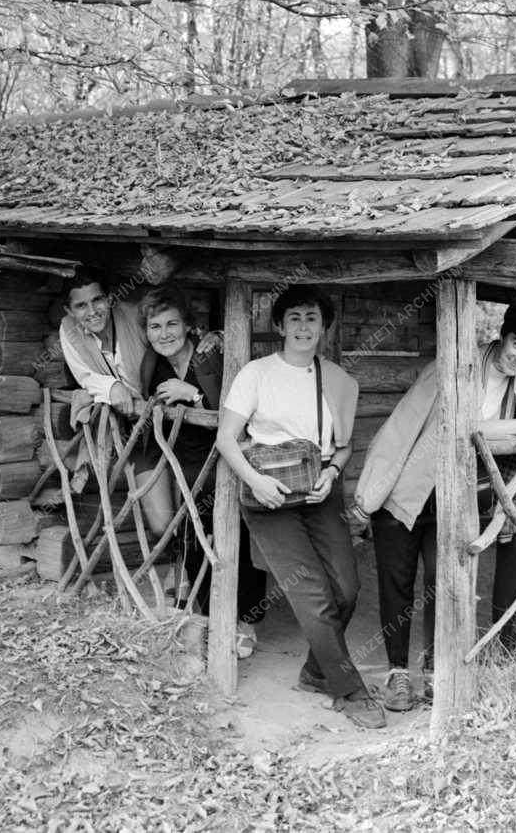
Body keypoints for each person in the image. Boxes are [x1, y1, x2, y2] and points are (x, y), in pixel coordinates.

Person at [352, 298, 516, 710]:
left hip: (459, 496)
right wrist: (367, 497)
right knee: (396, 582)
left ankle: (435, 672)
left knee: (442, 581)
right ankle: (397, 674)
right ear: (503, 335)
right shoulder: (456, 366)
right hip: (407, 488)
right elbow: (442, 426)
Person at [216, 285, 385, 729]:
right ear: (278, 325)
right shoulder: (256, 374)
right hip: (268, 498)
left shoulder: (339, 381)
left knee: (347, 589)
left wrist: (331, 475)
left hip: (318, 494)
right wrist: (255, 480)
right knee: (311, 593)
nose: (304, 326)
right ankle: (349, 691)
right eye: (295, 317)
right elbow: (226, 440)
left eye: (312, 317)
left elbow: (343, 449)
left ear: (324, 327)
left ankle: (315, 672)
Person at [138, 286, 268, 656]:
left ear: (187, 325)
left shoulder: (211, 355)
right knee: (194, 543)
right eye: (155, 326)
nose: (164, 333)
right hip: (183, 465)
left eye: (172, 324)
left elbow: (237, 411)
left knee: (235, 542)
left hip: (223, 461)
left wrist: (191, 395)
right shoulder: (153, 363)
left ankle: (246, 621)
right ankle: (212, 619)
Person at [59, 272, 145, 416]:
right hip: (119, 419)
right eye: (81, 306)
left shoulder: (135, 317)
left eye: (97, 300)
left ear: (109, 299)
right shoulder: (69, 329)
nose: (92, 311)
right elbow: (85, 376)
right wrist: (111, 387)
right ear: (69, 311)